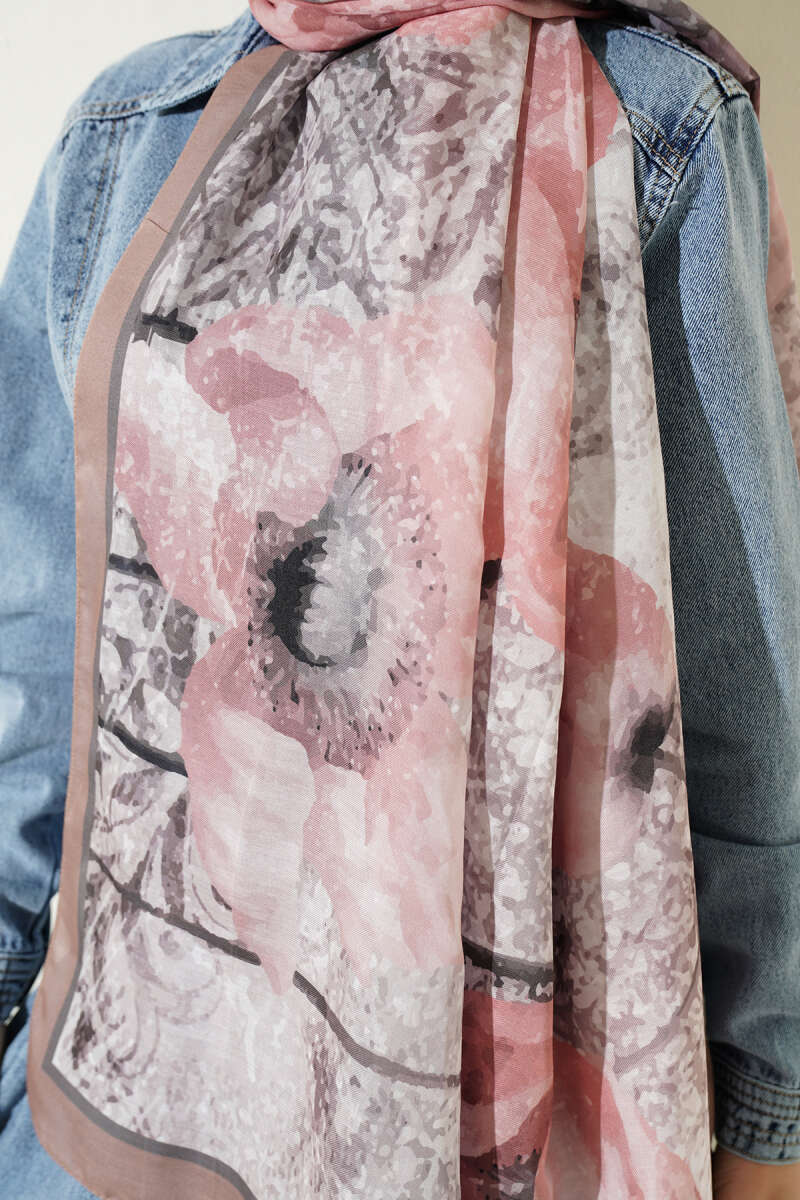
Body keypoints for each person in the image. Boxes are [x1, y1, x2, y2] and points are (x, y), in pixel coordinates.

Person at [0, 3, 799, 1198]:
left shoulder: (651, 121)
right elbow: (31, 673)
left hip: (465, 1130)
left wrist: (766, 1126)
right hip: (120, 1108)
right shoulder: (128, 133)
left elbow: (740, 732)